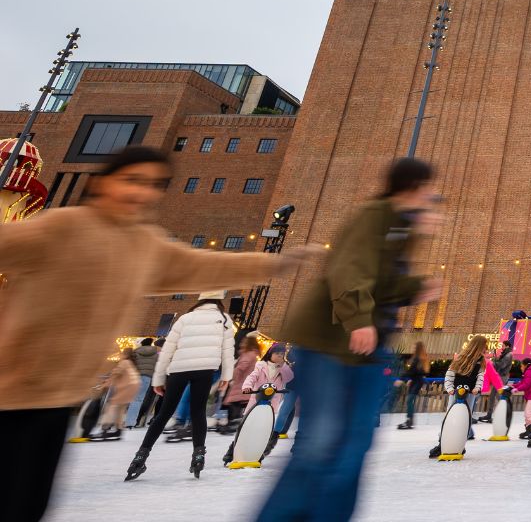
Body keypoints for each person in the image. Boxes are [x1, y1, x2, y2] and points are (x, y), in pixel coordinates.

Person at [0, 146, 306, 521]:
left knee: (27, 504)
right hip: (9, 392)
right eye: (132, 180)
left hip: (57, 399)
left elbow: (202, 265)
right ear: (100, 183)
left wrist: (275, 263)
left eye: (154, 185)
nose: (142, 192)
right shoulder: (61, 226)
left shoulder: (142, 244)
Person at [254, 158, 442, 522]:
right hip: (331, 344)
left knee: (356, 445)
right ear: (412, 187)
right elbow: (348, 269)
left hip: (369, 352)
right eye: (428, 187)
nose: (432, 195)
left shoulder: (402, 229)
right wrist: (358, 319)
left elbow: (383, 284)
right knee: (320, 443)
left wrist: (419, 286)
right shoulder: (374, 216)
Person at [125, 291, 237, 480]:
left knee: (163, 414)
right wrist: (226, 376)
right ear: (219, 300)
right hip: (205, 369)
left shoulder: (185, 318)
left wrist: (158, 379)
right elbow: (228, 350)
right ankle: (198, 456)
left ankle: (140, 457)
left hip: (178, 369)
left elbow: (168, 348)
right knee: (198, 412)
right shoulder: (223, 319)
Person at [225, 343, 294, 465]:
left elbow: (289, 378)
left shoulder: (283, 369)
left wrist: (283, 365)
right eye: (277, 354)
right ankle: (231, 453)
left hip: (271, 404)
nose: (279, 356)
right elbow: (252, 377)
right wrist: (247, 386)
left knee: (264, 430)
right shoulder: (261, 365)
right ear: (270, 354)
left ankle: (258, 454)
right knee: (245, 427)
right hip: (255, 403)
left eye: (282, 354)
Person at [429, 335, 487, 456]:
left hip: (470, 394)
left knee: (466, 418)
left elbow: (480, 377)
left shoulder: (481, 361)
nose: (486, 349)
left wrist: (477, 388)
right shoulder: (460, 358)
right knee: (449, 416)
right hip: (455, 393)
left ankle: (460, 443)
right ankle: (442, 443)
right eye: (484, 346)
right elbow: (450, 374)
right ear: (478, 346)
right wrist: (450, 388)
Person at [95, 349, 143, 441]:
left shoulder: (124, 362)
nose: (120, 355)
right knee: (121, 408)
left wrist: (103, 386)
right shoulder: (131, 363)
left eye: (121, 354)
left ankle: (104, 430)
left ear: (125, 355)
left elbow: (115, 374)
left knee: (112, 406)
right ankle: (118, 430)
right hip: (134, 386)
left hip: (127, 387)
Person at [221, 336, 263, 434]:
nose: (241, 343)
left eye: (244, 341)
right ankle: (237, 423)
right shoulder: (252, 354)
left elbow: (241, 367)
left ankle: (234, 424)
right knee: (239, 404)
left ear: (249, 343)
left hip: (240, 384)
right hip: (244, 384)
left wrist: (231, 375)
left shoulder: (248, 354)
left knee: (235, 403)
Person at [124, 338, 158, 429]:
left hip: (134, 376)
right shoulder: (156, 353)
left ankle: (127, 420)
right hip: (147, 377)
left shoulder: (136, 352)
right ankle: (131, 422)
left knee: (130, 398)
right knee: (138, 400)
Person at [396, 343, 429, 430]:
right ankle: (410, 420)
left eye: (414, 347)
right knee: (410, 400)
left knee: (410, 400)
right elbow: (419, 372)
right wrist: (411, 379)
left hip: (417, 382)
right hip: (416, 381)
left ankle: (409, 421)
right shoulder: (420, 359)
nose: (413, 348)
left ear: (418, 348)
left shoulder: (417, 359)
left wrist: (401, 379)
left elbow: (411, 371)